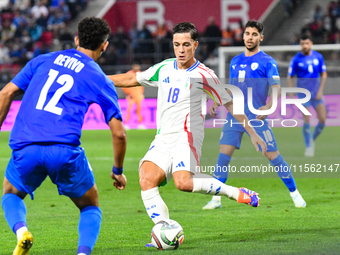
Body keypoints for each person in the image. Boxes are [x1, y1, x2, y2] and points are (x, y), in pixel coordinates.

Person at [108, 22, 267, 247]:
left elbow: (230, 103)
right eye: (176, 45)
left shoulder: (204, 74)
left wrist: (251, 132)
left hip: (187, 135)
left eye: (185, 45)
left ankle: (235, 192)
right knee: (146, 179)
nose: (180, 50)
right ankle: (165, 231)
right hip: (163, 137)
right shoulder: (164, 68)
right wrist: (101, 80)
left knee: (183, 182)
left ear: (195, 45)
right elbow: (133, 78)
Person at [0, 17, 127, 255]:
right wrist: (117, 171)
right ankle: (82, 253)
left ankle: (21, 232)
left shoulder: (43, 59)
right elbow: (119, 134)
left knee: (10, 193)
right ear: (105, 45)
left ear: (77, 39)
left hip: (27, 147)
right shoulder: (99, 78)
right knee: (90, 206)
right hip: (64, 151)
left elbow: (6, 93)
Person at [203, 20, 306, 210]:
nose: (250, 37)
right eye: (247, 33)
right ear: (243, 36)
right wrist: (217, 101)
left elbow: (276, 87)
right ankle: (216, 200)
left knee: (272, 154)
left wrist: (269, 105)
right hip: (234, 115)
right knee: (223, 156)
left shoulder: (267, 62)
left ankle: (295, 193)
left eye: (254, 34)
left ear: (261, 38)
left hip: (256, 116)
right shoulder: (235, 61)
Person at [287, 34, 327, 157]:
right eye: (302, 43)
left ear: (311, 44)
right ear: (300, 45)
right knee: (306, 119)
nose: (304, 46)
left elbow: (324, 74)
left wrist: (320, 90)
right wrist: (291, 93)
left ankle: (312, 139)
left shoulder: (318, 57)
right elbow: (290, 76)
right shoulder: (296, 59)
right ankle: (308, 147)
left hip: (316, 93)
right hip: (303, 94)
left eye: (307, 43)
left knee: (323, 119)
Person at [120, 64, 145, 129]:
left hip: (138, 96)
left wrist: (141, 94)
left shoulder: (140, 74)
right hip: (131, 96)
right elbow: (123, 85)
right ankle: (125, 123)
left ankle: (140, 124)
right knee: (129, 110)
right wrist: (128, 93)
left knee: (139, 110)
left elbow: (142, 85)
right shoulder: (128, 74)